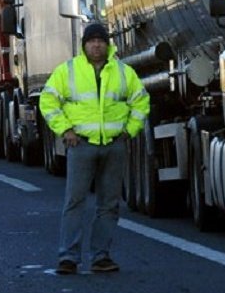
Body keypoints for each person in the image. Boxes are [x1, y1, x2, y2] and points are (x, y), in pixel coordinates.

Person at [40, 22, 150, 274]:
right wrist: (65, 129)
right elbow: (48, 101)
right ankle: (68, 257)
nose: (97, 44)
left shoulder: (123, 71)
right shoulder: (68, 70)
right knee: (75, 201)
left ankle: (101, 257)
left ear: (108, 44)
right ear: (84, 45)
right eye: (92, 41)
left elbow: (141, 100)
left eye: (101, 40)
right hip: (81, 145)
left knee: (109, 204)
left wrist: (129, 130)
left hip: (114, 145)